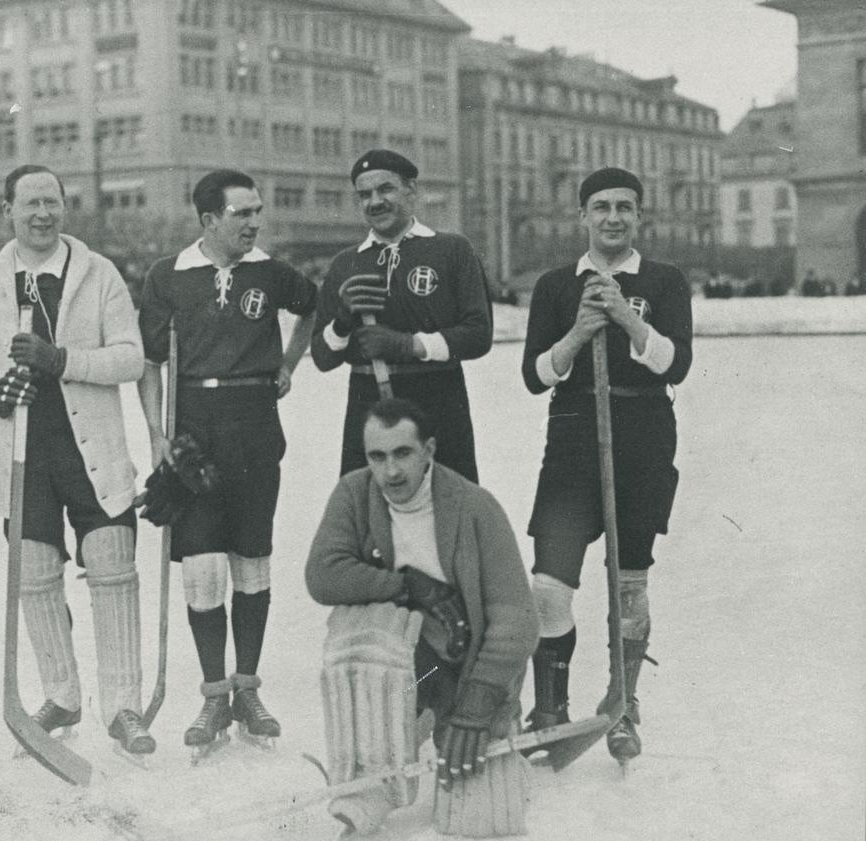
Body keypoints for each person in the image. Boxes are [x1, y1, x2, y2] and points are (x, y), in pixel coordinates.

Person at [0, 164, 154, 756]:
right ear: (8, 210)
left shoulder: (98, 274)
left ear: (65, 208)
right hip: (23, 455)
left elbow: (130, 359)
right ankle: (62, 695)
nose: (42, 214)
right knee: (36, 578)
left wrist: (61, 359)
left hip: (91, 451)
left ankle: (124, 709)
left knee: (113, 568)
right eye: (29, 204)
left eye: (52, 202)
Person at [138, 168, 317, 754]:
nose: (254, 222)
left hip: (255, 421)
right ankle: (213, 693)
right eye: (242, 213)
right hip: (193, 426)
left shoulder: (270, 271)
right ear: (209, 219)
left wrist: (288, 364)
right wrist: (156, 436)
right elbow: (149, 363)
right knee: (202, 567)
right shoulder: (169, 276)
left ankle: (248, 689)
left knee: (252, 559)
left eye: (257, 211)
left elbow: (310, 308)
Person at [520, 167, 692, 764]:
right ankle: (550, 709)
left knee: (630, 584)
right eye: (601, 207)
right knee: (549, 583)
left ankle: (623, 704)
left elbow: (676, 366)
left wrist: (624, 316)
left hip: (642, 435)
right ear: (583, 217)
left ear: (639, 216)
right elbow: (533, 377)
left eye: (624, 207)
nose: (612, 217)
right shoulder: (555, 285)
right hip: (572, 437)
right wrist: (578, 331)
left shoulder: (665, 282)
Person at [306, 399, 537, 837]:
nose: (391, 472)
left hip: (467, 670)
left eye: (403, 453)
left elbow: (517, 619)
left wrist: (478, 705)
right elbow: (322, 575)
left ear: (428, 450)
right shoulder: (355, 494)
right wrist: (408, 586)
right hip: (414, 667)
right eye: (378, 456)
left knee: (476, 823)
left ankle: (466, 727)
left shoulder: (474, 506)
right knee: (362, 640)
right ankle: (374, 779)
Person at [311, 149, 492, 481]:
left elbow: (479, 335)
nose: (375, 201)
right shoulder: (344, 263)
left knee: (447, 508)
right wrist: (342, 319)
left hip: (438, 399)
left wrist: (408, 345)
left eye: (386, 189)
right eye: (364, 195)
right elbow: (322, 358)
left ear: (412, 190)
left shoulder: (452, 250)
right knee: (369, 515)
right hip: (368, 404)